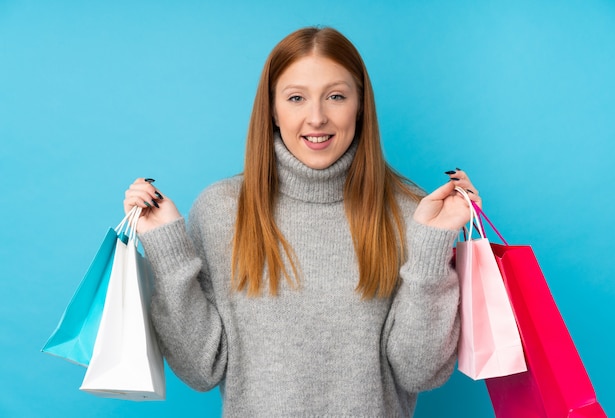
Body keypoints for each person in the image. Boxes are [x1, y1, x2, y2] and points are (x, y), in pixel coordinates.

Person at [124, 26, 480, 417]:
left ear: (360, 105)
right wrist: (168, 252)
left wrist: (434, 243)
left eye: (336, 96)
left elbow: (420, 373)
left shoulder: (408, 211)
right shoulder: (221, 210)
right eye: (296, 98)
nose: (316, 118)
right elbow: (200, 371)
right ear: (273, 110)